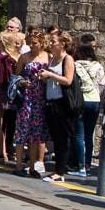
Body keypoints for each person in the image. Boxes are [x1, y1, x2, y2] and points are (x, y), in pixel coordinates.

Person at [12, 28, 51, 177]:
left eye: (35, 43)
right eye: (30, 43)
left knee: (36, 132)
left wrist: (46, 78)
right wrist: (23, 83)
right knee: (22, 130)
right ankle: (18, 164)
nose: (32, 45)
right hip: (27, 97)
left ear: (41, 43)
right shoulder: (24, 57)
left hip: (41, 98)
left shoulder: (48, 57)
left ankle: (33, 165)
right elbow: (15, 78)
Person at [39, 30, 76, 182]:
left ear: (62, 44)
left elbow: (68, 80)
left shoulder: (68, 59)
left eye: (54, 42)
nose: (51, 44)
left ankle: (60, 171)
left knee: (62, 137)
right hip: (51, 101)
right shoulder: (53, 59)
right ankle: (57, 169)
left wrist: (50, 75)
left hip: (62, 102)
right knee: (55, 136)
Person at [0, 29, 23, 164]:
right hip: (11, 93)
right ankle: (5, 151)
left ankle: (1, 153)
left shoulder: (0, 57)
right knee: (7, 124)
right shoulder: (17, 57)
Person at [73, 41, 105, 178]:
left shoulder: (76, 65)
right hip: (95, 100)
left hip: (82, 100)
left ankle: (81, 167)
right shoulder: (98, 66)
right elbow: (102, 85)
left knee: (79, 135)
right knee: (89, 134)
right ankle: (88, 164)